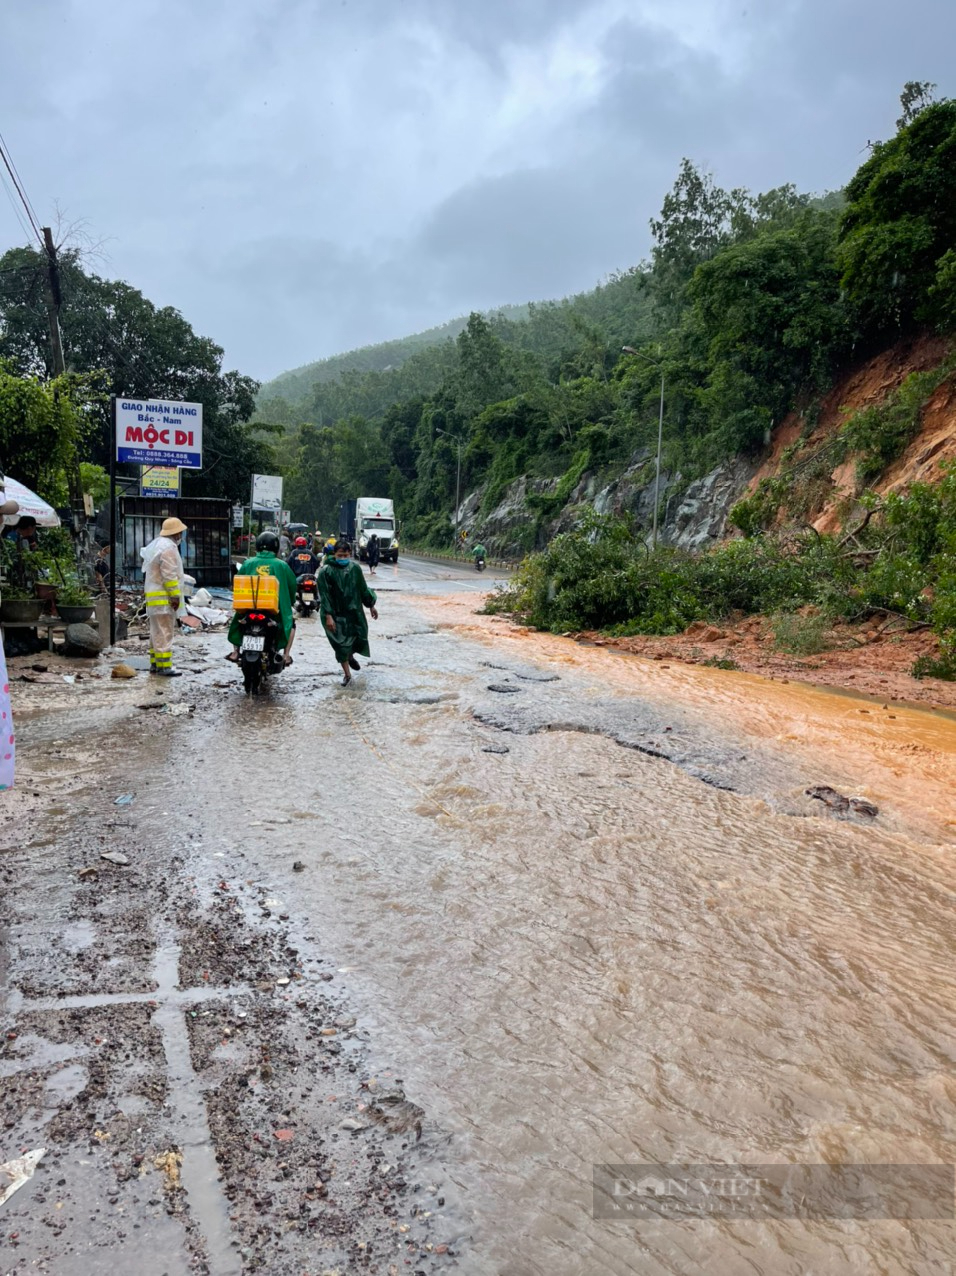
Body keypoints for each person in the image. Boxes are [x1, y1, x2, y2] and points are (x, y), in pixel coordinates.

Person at [227, 531, 299, 666]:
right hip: (274, 610)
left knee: (237, 621)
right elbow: (292, 585)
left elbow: (237, 584)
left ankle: (236, 651)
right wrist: (291, 601)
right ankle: (286, 655)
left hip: (249, 607)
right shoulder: (282, 565)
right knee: (291, 624)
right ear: (276, 547)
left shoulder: (248, 563)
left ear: (258, 546)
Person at [318, 540, 379, 687]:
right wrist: (328, 615)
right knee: (340, 644)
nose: (343, 558)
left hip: (354, 612)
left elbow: (363, 588)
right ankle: (347, 675)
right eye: (340, 555)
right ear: (335, 554)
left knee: (358, 637)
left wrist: (371, 605)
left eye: (345, 555)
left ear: (350, 554)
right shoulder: (326, 571)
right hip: (334, 614)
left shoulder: (355, 569)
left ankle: (350, 656)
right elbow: (324, 595)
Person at [142, 516, 188, 677]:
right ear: (176, 533)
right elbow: (170, 575)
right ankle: (164, 667)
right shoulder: (169, 548)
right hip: (164, 599)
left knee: (156, 631)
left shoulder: (158, 545)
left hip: (154, 597)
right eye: (180, 532)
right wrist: (175, 596)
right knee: (164, 631)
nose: (181, 536)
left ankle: (155, 663)